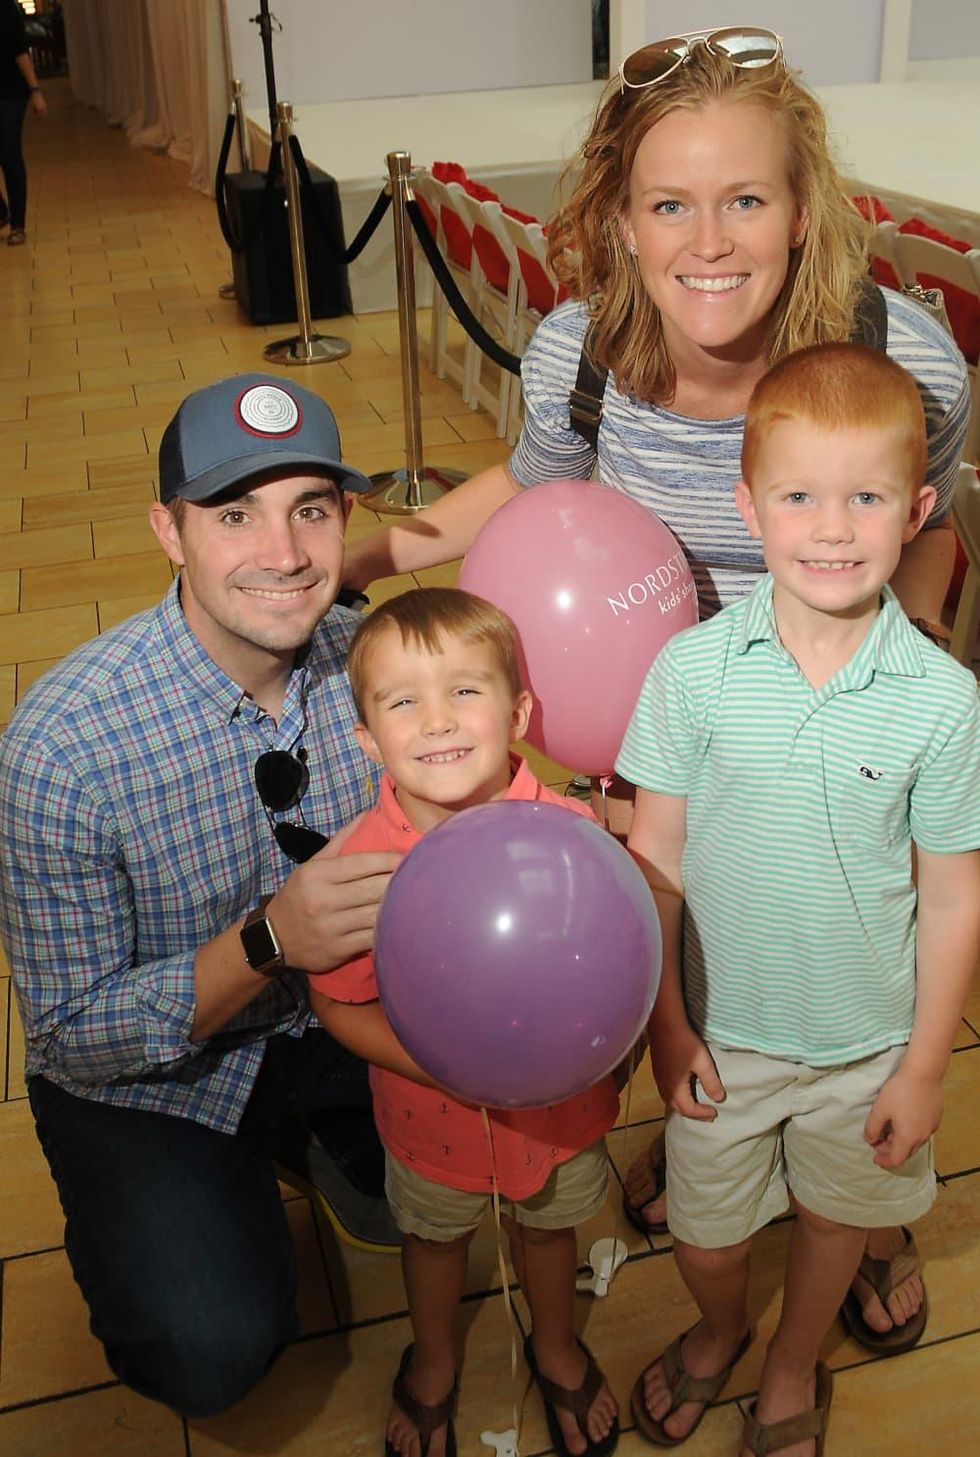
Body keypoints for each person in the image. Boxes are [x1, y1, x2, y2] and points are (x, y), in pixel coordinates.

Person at [341, 26, 971, 1345]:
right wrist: (358, 556)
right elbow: (527, 492)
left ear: (804, 212)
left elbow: (928, 519)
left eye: (745, 198)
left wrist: (895, 676)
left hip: (839, 738)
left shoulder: (905, 357)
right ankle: (714, 1129)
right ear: (620, 221)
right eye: (669, 204)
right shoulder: (583, 354)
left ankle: (862, 1193)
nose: (710, 240)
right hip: (666, 741)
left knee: (854, 963)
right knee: (690, 949)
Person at [0, 374, 405, 1418]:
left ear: (344, 518)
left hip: (338, 1016)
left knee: (469, 1184)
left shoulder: (370, 660)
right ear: (168, 531)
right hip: (156, 1073)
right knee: (210, 1349)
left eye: (309, 507)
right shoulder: (61, 749)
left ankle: (305, 1131)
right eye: (234, 514)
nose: (283, 552)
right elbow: (73, 1032)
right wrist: (271, 938)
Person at [615, 342, 980, 1454]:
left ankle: (787, 1360)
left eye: (864, 497)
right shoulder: (689, 670)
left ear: (914, 510)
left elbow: (953, 896)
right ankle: (721, 1325)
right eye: (798, 497)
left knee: (835, 1217)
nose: (830, 528)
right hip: (720, 1038)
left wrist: (922, 1066)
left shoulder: (942, 699)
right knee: (710, 1238)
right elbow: (654, 855)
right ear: (749, 504)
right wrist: (667, 1026)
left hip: (863, 1041)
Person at [308, 587, 621, 1457]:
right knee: (434, 1240)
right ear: (367, 738)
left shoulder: (573, 835)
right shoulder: (362, 869)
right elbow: (334, 1002)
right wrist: (434, 1064)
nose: (438, 720)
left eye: (466, 691)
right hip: (427, 1120)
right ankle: (436, 1358)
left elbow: (615, 967)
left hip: (555, 1118)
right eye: (403, 701)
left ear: (519, 711)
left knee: (549, 1229)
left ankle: (556, 1346)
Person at [0, 0, 47, 245]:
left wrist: (35, 90)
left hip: (9, 91)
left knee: (9, 154)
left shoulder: (5, 7)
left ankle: (18, 224)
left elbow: (19, 50)